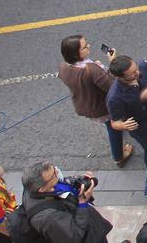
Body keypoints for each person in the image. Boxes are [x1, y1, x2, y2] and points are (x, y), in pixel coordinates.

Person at [55, 35, 134, 168]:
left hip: (84, 105)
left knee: (110, 125)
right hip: (102, 107)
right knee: (113, 128)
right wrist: (112, 62)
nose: (89, 46)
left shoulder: (63, 67)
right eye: (85, 46)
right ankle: (119, 157)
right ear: (76, 54)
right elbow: (113, 86)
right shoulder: (92, 69)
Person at [18, 162, 111, 243]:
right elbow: (74, 236)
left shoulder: (33, 188)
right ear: (42, 189)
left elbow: (60, 183)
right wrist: (82, 203)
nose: (57, 172)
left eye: (54, 168)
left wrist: (77, 181)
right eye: (54, 174)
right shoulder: (49, 218)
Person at [106, 53, 147, 169]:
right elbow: (114, 123)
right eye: (132, 74)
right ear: (119, 77)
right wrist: (123, 125)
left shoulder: (141, 66)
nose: (137, 73)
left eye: (135, 68)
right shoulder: (115, 98)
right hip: (142, 128)